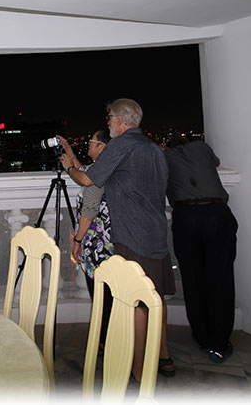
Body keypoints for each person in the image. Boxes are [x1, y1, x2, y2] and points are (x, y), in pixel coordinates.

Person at [58, 98, 176, 380]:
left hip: (132, 236)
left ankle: (136, 372)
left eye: (110, 117)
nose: (108, 121)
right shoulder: (152, 147)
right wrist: (77, 160)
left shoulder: (123, 145)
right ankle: (164, 358)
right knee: (156, 298)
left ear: (121, 120)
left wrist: (69, 168)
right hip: (157, 232)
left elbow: (89, 181)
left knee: (134, 303)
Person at [164, 135, 238, 363]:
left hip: (186, 216)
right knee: (221, 278)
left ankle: (203, 337)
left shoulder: (164, 157)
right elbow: (215, 162)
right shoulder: (200, 147)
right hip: (216, 213)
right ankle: (220, 341)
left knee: (192, 279)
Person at [70, 130, 114, 351]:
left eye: (92, 142)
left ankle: (104, 341)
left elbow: (89, 210)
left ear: (102, 146)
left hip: (97, 244)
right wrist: (68, 151)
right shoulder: (103, 167)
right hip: (105, 241)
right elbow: (81, 172)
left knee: (101, 295)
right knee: (104, 294)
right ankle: (106, 338)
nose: (88, 144)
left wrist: (77, 240)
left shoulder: (97, 174)